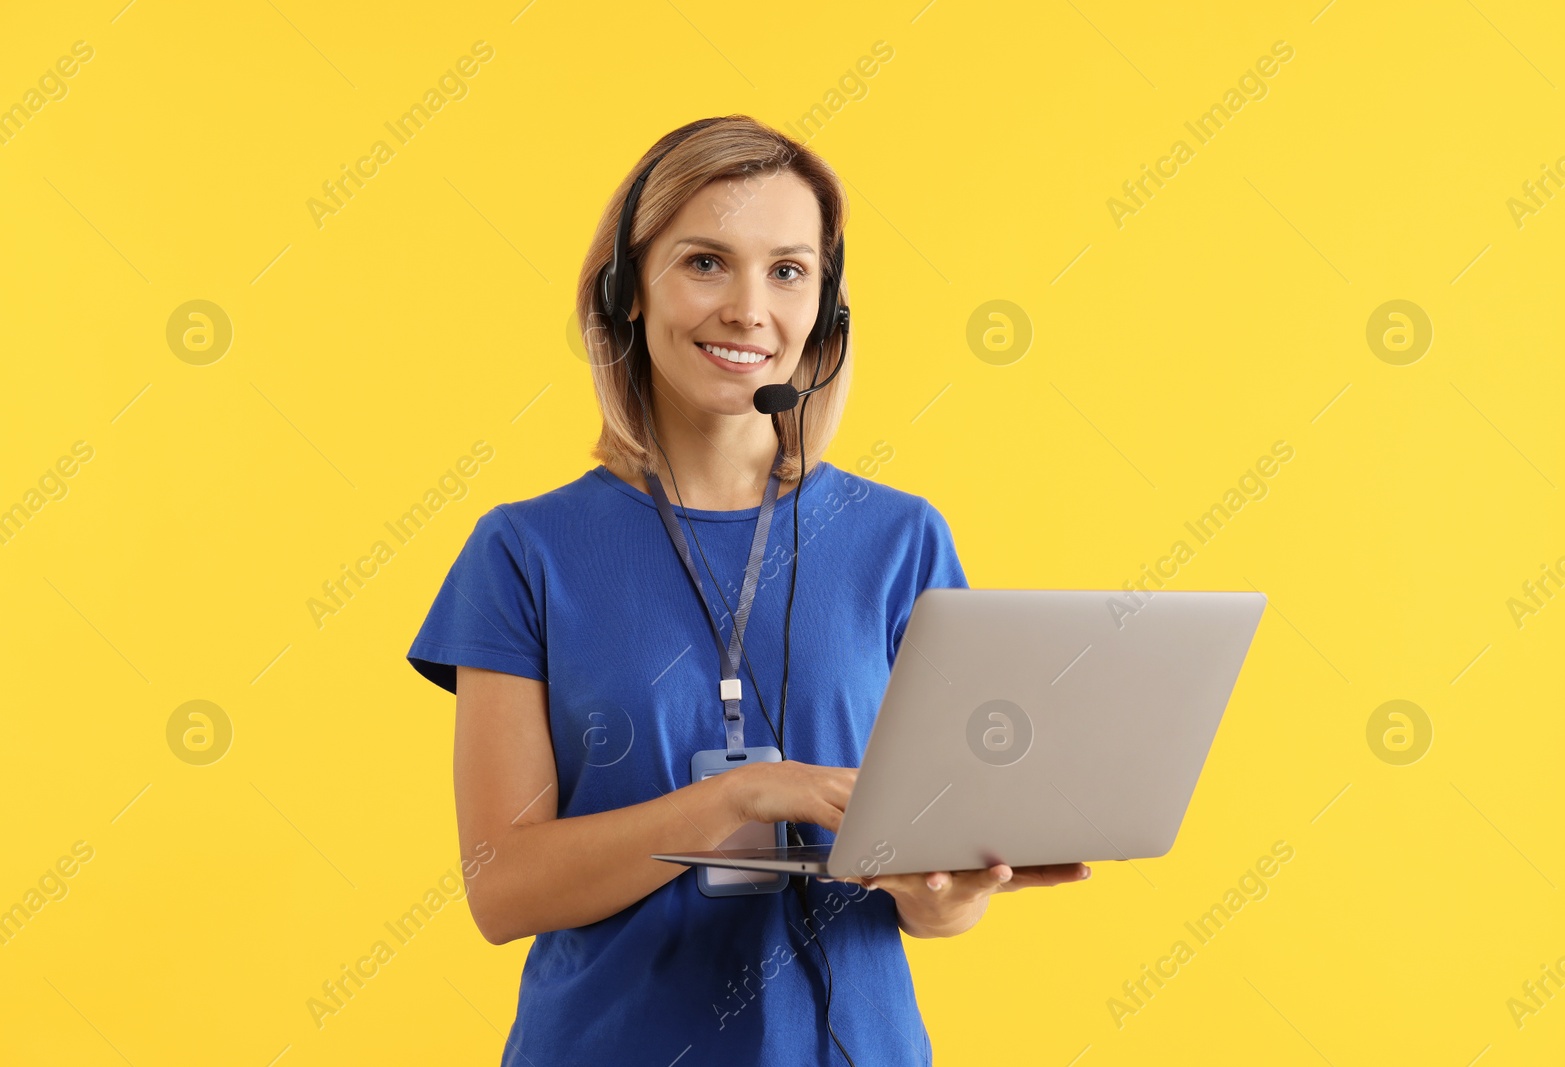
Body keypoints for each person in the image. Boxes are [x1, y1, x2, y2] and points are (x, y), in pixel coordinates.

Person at [405, 114, 1090, 1066]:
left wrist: (950, 894)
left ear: (827, 310)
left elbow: (936, 884)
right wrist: (749, 794)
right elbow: (503, 890)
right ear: (626, 290)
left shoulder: (902, 540)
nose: (749, 310)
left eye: (788, 270)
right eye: (705, 263)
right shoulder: (524, 550)